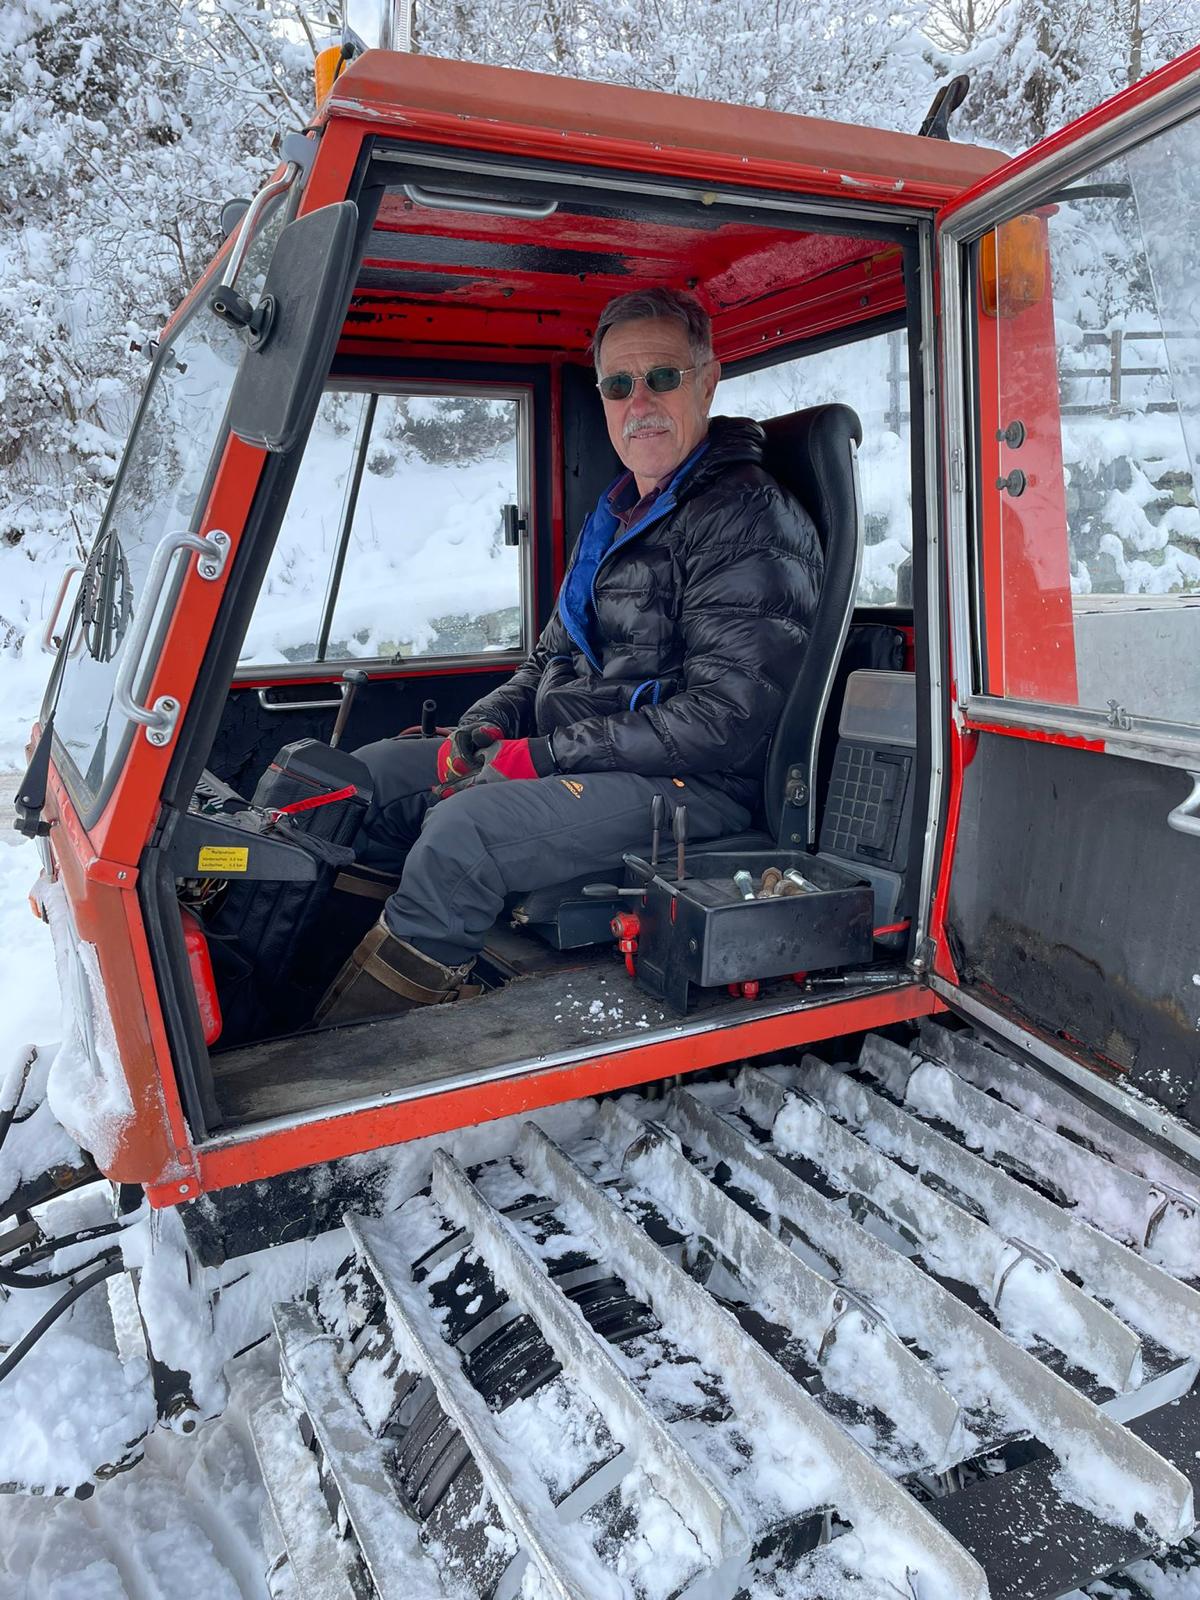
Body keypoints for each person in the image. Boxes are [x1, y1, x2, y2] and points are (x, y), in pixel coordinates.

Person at [318, 286, 823, 1024]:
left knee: (462, 837)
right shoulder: (620, 515)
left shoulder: (745, 517)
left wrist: (548, 754)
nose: (638, 402)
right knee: (367, 777)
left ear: (708, 381)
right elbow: (548, 660)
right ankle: (318, 981)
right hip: (599, 756)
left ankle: (365, 1051)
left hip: (698, 784)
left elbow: (726, 718)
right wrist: (487, 726)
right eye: (618, 385)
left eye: (662, 377)